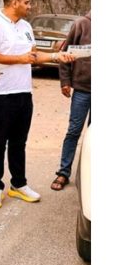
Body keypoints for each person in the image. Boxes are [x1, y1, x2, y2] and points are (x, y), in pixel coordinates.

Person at [0, 0, 77, 208]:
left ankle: (19, 185)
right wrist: (19, 59)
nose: (29, 6)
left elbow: (32, 56)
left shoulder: (25, 26)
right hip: (1, 94)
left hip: (24, 93)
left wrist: (57, 56)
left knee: (19, 143)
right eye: (26, 2)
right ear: (14, 3)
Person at [51, 11, 91, 191]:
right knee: (74, 131)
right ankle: (63, 172)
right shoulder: (82, 24)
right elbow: (65, 53)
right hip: (83, 90)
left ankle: (90, 175)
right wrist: (65, 81)